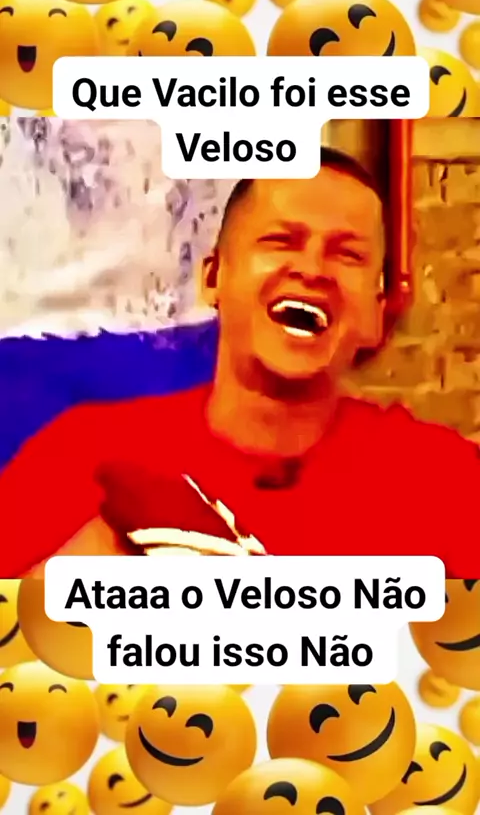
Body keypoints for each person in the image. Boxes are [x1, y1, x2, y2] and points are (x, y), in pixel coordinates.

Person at [1, 149, 478, 578]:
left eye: (347, 254)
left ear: (377, 315)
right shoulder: (82, 457)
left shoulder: (445, 484)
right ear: (214, 278)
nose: (312, 269)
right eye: (281, 241)